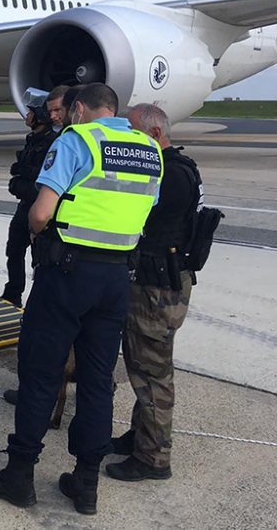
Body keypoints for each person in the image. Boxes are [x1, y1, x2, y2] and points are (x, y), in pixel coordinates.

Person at [0, 83, 162, 515]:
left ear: (79, 108)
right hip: (116, 277)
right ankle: (86, 483)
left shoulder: (77, 139)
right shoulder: (147, 149)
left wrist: (46, 235)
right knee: (97, 380)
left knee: (41, 372)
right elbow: (144, 212)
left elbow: (40, 213)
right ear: (114, 109)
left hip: (68, 272)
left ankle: (19, 475)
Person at [106, 104, 202, 483]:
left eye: (132, 133)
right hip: (162, 285)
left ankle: (153, 458)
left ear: (156, 134)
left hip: (156, 290)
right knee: (146, 367)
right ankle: (141, 437)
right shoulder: (179, 168)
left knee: (152, 373)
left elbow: (143, 214)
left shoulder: (170, 175)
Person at [1, 85, 65, 308]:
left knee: (40, 259)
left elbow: (42, 182)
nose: (26, 116)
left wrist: (21, 182)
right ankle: (13, 293)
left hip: (38, 207)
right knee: (14, 251)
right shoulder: (33, 139)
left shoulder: (52, 143)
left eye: (30, 112)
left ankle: (37, 302)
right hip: (24, 207)